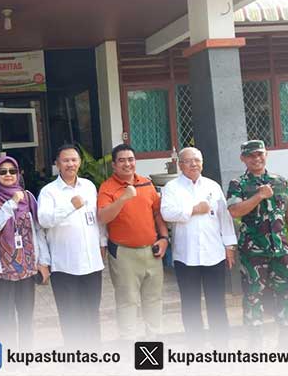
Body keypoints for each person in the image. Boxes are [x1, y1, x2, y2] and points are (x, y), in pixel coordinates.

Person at [226, 140, 288, 346]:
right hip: (253, 251)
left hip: (281, 248)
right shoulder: (238, 184)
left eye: (259, 154)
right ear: (243, 159)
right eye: (251, 156)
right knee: (253, 295)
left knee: (287, 292)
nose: (256, 159)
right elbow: (234, 211)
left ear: (266, 155)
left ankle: (286, 344)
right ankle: (255, 346)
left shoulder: (279, 181)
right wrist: (259, 195)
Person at [160, 147, 236, 347]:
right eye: (188, 160)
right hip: (186, 256)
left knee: (217, 303)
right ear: (180, 164)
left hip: (214, 254)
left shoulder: (213, 186)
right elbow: (167, 213)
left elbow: (224, 218)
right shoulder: (171, 187)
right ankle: (196, 348)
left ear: (202, 163)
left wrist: (229, 246)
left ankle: (222, 347)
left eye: (197, 160)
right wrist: (193, 210)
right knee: (190, 304)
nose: (193, 164)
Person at [37, 144, 106, 347]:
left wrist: (102, 243)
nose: (70, 164)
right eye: (65, 160)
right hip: (64, 265)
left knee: (92, 314)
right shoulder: (49, 192)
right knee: (70, 316)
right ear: (57, 164)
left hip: (91, 264)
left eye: (74, 160)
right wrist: (70, 206)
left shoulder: (89, 186)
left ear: (80, 162)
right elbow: (44, 220)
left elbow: (97, 220)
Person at [97, 143, 168, 340]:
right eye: (122, 160)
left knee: (154, 299)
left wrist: (164, 238)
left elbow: (157, 213)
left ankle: (152, 344)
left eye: (130, 159)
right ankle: (128, 345)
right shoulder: (107, 188)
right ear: (114, 165)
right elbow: (103, 217)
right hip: (124, 254)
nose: (127, 164)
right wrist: (123, 198)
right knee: (127, 301)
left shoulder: (146, 183)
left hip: (152, 251)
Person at [0, 156, 50, 349]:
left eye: (13, 171)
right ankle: (8, 353)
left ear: (19, 174)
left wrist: (43, 261)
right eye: (2, 172)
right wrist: (10, 204)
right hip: (2, 270)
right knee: (5, 315)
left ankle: (25, 353)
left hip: (27, 268)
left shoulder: (28, 197)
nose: (8, 175)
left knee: (26, 315)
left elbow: (38, 230)